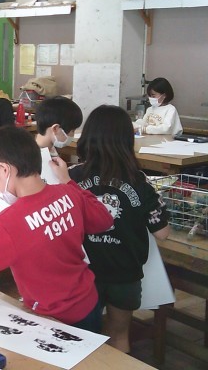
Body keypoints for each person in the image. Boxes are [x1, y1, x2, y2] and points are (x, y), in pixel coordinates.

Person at [0, 125, 114, 332]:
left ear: (4, 170)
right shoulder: (69, 193)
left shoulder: (7, 224)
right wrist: (70, 183)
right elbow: (104, 220)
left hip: (54, 320)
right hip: (89, 302)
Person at [67, 105, 170, 352]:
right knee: (119, 334)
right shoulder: (140, 181)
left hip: (84, 273)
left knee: (80, 338)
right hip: (125, 273)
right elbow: (163, 233)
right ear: (126, 141)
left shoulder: (72, 177)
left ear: (88, 137)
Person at [34, 96, 83, 184]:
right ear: (55, 129)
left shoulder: (50, 149)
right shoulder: (34, 158)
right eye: (72, 130)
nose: (73, 135)